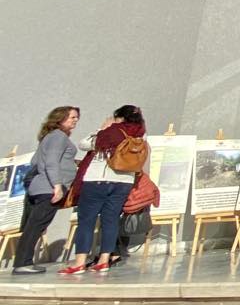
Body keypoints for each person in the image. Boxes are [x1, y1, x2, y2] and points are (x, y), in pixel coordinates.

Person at [61, 105, 144, 274]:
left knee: (86, 220)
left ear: (120, 118)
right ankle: (104, 260)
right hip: (124, 182)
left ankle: (79, 263)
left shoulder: (110, 132)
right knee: (111, 220)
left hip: (98, 179)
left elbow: (84, 144)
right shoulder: (140, 134)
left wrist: (101, 128)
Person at [12, 106, 80, 274]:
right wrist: (57, 186)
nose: (75, 120)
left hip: (40, 187)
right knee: (36, 226)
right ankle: (23, 264)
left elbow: (35, 161)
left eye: (76, 117)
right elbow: (51, 162)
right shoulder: (59, 136)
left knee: (34, 225)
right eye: (72, 117)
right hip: (49, 188)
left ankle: (23, 262)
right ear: (60, 118)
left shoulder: (49, 137)